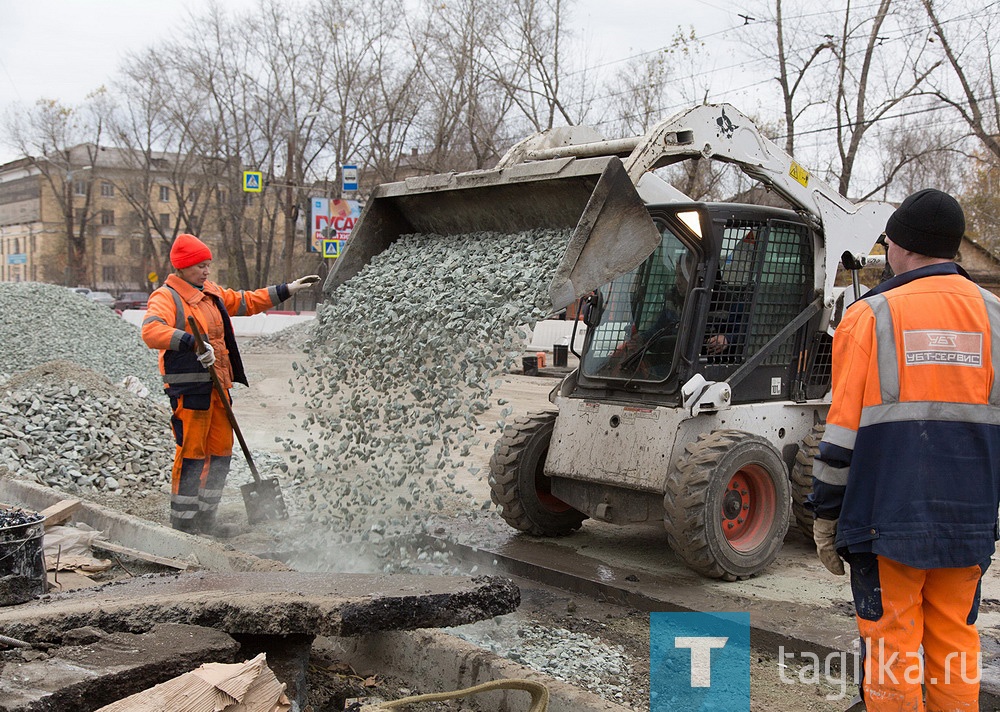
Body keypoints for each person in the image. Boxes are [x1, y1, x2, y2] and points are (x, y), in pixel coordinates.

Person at [809, 189, 1000, 711]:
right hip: (971, 522)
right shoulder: (996, 317)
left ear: (902, 247)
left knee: (893, 644)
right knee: (956, 642)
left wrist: (825, 514)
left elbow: (841, 433)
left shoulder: (870, 317)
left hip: (886, 519)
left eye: (887, 241)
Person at [141, 233, 320, 536]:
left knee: (221, 452)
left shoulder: (210, 292)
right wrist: (190, 342)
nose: (206, 271)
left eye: (208, 265)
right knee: (192, 453)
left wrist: (286, 290)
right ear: (182, 268)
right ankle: (184, 523)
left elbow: (246, 301)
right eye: (199, 266)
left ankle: (206, 518)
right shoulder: (167, 297)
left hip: (218, 386)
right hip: (190, 389)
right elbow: (151, 331)